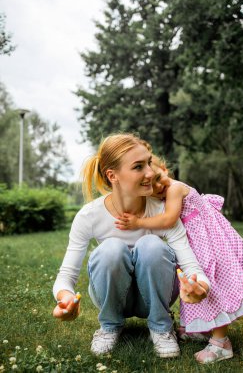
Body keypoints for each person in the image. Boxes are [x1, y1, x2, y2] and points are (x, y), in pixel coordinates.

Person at [53, 133, 210, 358]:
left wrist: (200, 288)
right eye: (138, 167)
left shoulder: (163, 212)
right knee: (110, 248)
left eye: (148, 162)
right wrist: (64, 297)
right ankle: (109, 325)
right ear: (112, 176)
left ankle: (161, 327)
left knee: (151, 245)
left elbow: (193, 268)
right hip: (114, 298)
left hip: (158, 296)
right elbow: (65, 276)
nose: (150, 172)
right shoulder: (89, 216)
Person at [115, 154, 243, 364]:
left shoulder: (175, 188)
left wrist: (138, 222)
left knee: (212, 287)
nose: (159, 186)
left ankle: (221, 342)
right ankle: (202, 328)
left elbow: (169, 219)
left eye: (159, 177)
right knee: (190, 285)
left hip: (211, 245)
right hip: (196, 246)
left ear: (164, 169)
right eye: (151, 186)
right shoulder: (160, 195)